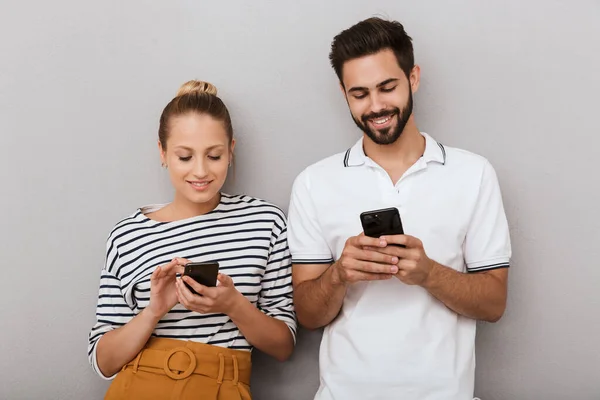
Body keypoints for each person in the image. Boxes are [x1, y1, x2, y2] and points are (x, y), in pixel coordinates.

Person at [288, 17, 511, 400]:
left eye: (387, 87)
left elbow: (493, 303)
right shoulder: (313, 182)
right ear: (343, 93)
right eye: (359, 94)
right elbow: (307, 315)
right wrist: (340, 274)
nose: (376, 106)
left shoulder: (473, 174)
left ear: (413, 78)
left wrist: (428, 273)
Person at [88, 80, 296, 400]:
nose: (200, 171)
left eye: (213, 155)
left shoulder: (265, 222)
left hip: (224, 386)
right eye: (185, 157)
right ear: (162, 152)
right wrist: (153, 310)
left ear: (231, 150)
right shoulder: (127, 235)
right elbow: (103, 361)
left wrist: (233, 304)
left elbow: (284, 346)